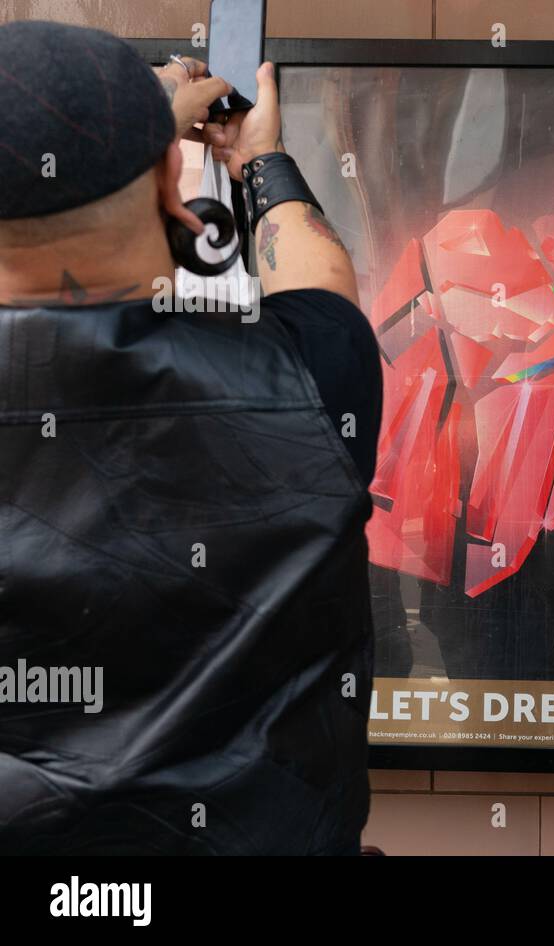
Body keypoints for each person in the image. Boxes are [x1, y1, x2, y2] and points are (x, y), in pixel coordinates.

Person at [0, 21, 381, 854]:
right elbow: (320, 284)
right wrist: (257, 159)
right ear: (178, 193)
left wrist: (142, 131)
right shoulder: (315, 376)